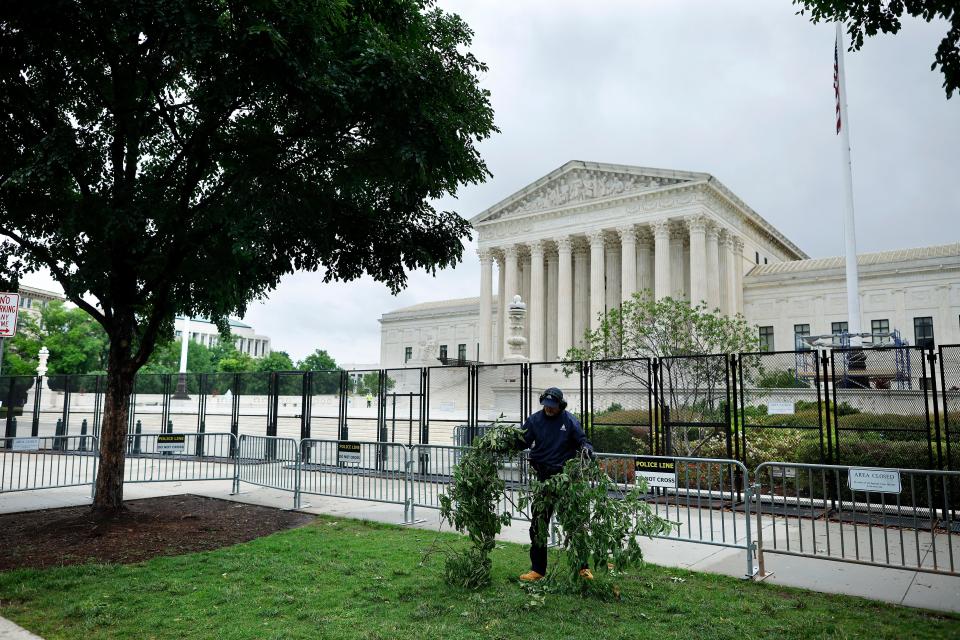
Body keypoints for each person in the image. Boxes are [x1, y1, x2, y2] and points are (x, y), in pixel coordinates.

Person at [515, 387, 594, 582]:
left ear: (560, 405)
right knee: (538, 526)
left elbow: (582, 441)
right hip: (543, 479)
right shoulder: (534, 420)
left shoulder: (569, 421)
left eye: (553, 406)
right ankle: (538, 570)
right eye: (546, 405)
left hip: (565, 478)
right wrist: (505, 443)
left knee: (575, 524)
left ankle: (582, 568)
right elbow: (522, 440)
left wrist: (587, 449)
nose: (549, 409)